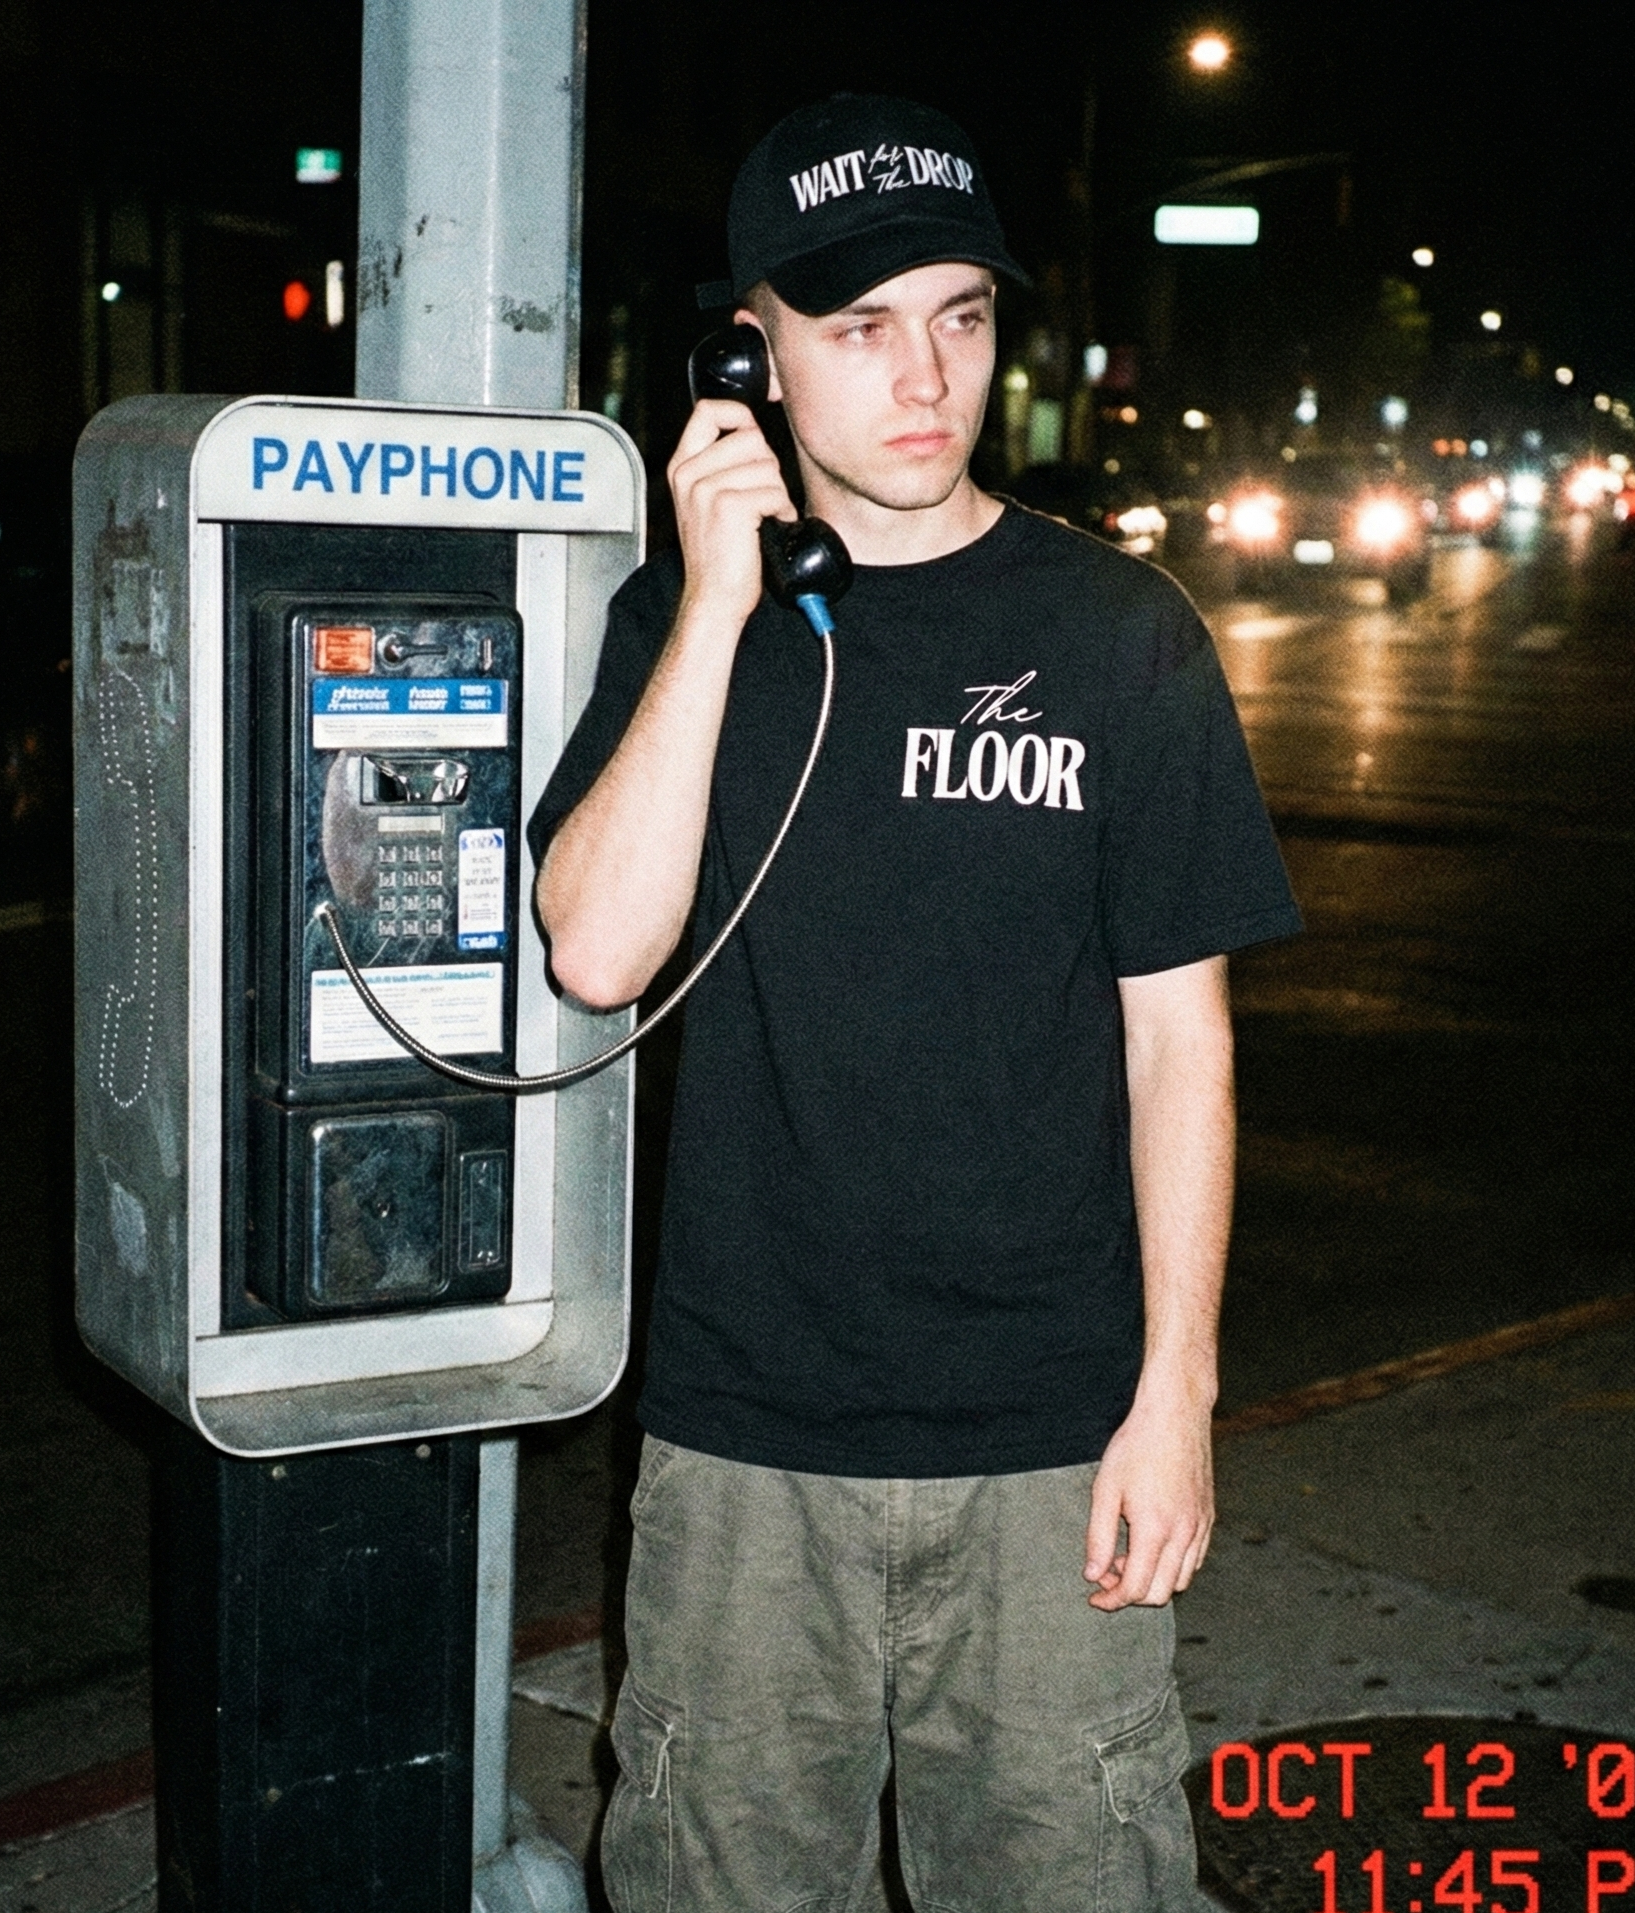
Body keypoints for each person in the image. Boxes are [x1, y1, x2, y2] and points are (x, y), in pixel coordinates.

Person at [528, 93, 1302, 1912]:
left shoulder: (1123, 638)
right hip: (745, 1448)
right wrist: (723, 601)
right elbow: (595, 952)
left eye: (958, 315)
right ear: (752, 354)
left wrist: (1176, 1393)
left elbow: (1177, 1041)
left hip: (1051, 1440)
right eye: (859, 326)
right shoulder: (683, 634)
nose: (922, 374)